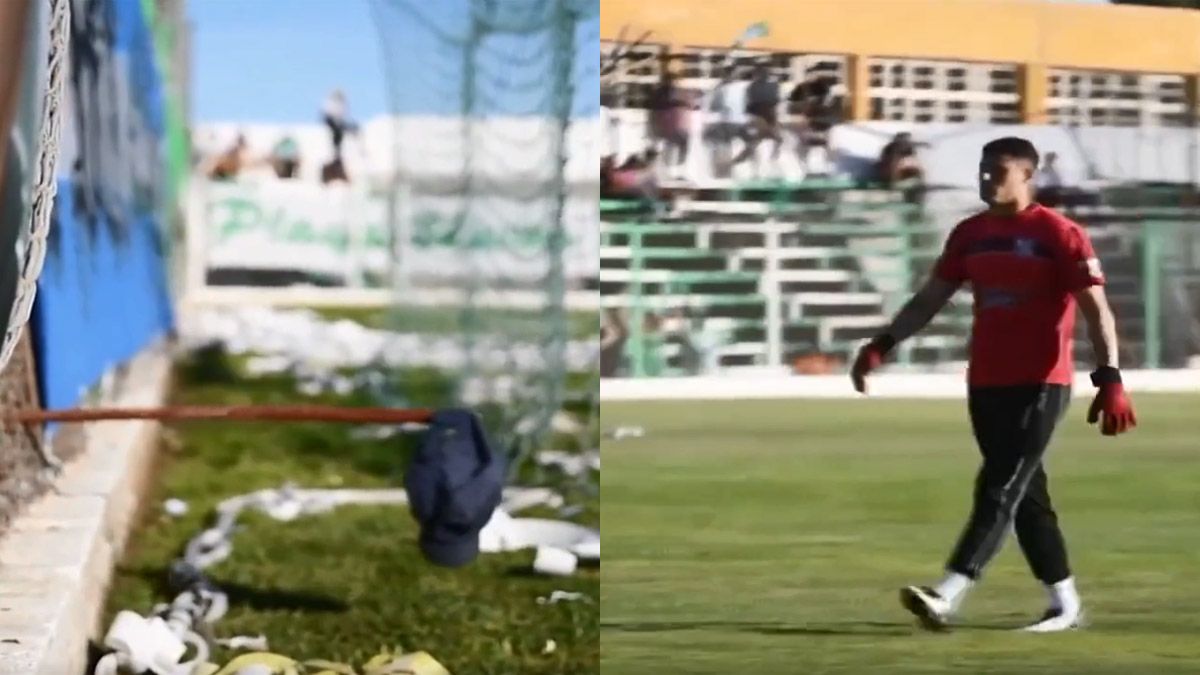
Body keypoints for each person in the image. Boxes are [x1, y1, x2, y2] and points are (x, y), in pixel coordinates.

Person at [849, 137, 1137, 633]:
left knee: (999, 486)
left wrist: (1109, 378)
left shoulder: (1059, 233)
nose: (987, 180)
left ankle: (948, 593)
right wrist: (883, 342)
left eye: (998, 171)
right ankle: (1064, 604)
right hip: (985, 381)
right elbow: (931, 297)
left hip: (1041, 382)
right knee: (1025, 495)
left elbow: (1096, 311)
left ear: (1028, 175)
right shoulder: (970, 234)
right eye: (983, 170)